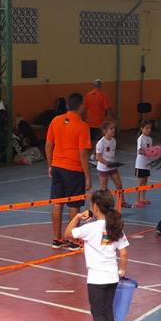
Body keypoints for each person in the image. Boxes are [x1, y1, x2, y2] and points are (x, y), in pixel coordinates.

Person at [65, 190, 130, 321]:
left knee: (98, 313)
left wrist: (78, 216)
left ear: (95, 206)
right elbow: (123, 253)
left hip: (96, 278)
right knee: (108, 310)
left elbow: (68, 233)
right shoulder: (115, 227)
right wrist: (122, 270)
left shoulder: (90, 228)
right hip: (112, 277)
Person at [46, 93, 92, 250]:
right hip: (73, 169)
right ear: (80, 106)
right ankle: (73, 240)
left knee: (57, 202)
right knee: (74, 205)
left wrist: (50, 165)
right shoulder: (82, 126)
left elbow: (48, 145)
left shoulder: (55, 121)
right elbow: (83, 153)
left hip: (57, 166)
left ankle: (56, 239)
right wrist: (87, 176)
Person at [95, 121, 130, 208]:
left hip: (112, 167)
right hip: (103, 168)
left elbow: (111, 154)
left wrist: (113, 163)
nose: (113, 130)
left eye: (114, 128)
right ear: (105, 131)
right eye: (111, 129)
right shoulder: (101, 143)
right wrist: (107, 163)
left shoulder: (114, 141)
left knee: (119, 185)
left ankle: (122, 201)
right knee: (104, 188)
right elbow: (98, 157)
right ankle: (102, 205)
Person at [85, 79, 114, 146]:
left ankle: (91, 153)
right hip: (99, 121)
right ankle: (95, 153)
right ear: (101, 86)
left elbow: (84, 108)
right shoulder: (103, 95)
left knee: (90, 138)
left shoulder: (87, 95)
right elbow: (108, 108)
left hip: (89, 121)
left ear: (93, 85)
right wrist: (110, 119)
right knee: (99, 139)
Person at [134, 120, 154, 208]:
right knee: (140, 182)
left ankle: (143, 198)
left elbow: (150, 150)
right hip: (140, 164)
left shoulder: (150, 139)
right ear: (142, 128)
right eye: (146, 128)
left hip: (147, 163)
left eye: (150, 128)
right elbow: (139, 151)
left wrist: (154, 152)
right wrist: (147, 152)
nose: (149, 130)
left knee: (145, 181)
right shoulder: (141, 138)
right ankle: (137, 200)